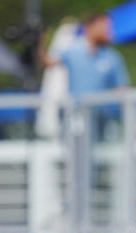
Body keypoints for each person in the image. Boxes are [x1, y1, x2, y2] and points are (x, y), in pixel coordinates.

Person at [39, 12, 129, 140]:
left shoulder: (112, 57)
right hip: (74, 116)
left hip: (100, 119)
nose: (108, 31)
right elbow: (48, 62)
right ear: (89, 27)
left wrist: (133, 120)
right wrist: (39, 42)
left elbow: (123, 91)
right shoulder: (73, 51)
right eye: (103, 27)